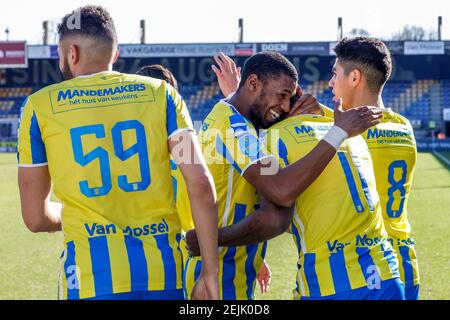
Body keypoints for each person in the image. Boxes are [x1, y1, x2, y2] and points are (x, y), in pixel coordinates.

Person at [17, 5, 219, 300]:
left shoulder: (39, 106)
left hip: (89, 278)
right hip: (163, 273)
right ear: (114, 53)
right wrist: (210, 273)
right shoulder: (163, 94)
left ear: (71, 53)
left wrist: (83, 210)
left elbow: (36, 218)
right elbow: (200, 184)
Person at [182, 51, 383, 299]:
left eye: (290, 97)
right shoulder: (229, 124)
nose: (287, 106)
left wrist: (286, 116)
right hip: (214, 275)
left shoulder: (245, 123)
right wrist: (337, 133)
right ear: (253, 83)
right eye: (282, 96)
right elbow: (280, 193)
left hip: (236, 271)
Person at [327, 37, 419, 299]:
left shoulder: (346, 136)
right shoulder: (403, 126)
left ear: (355, 77)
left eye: (335, 74)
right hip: (406, 260)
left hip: (367, 270)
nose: (331, 82)